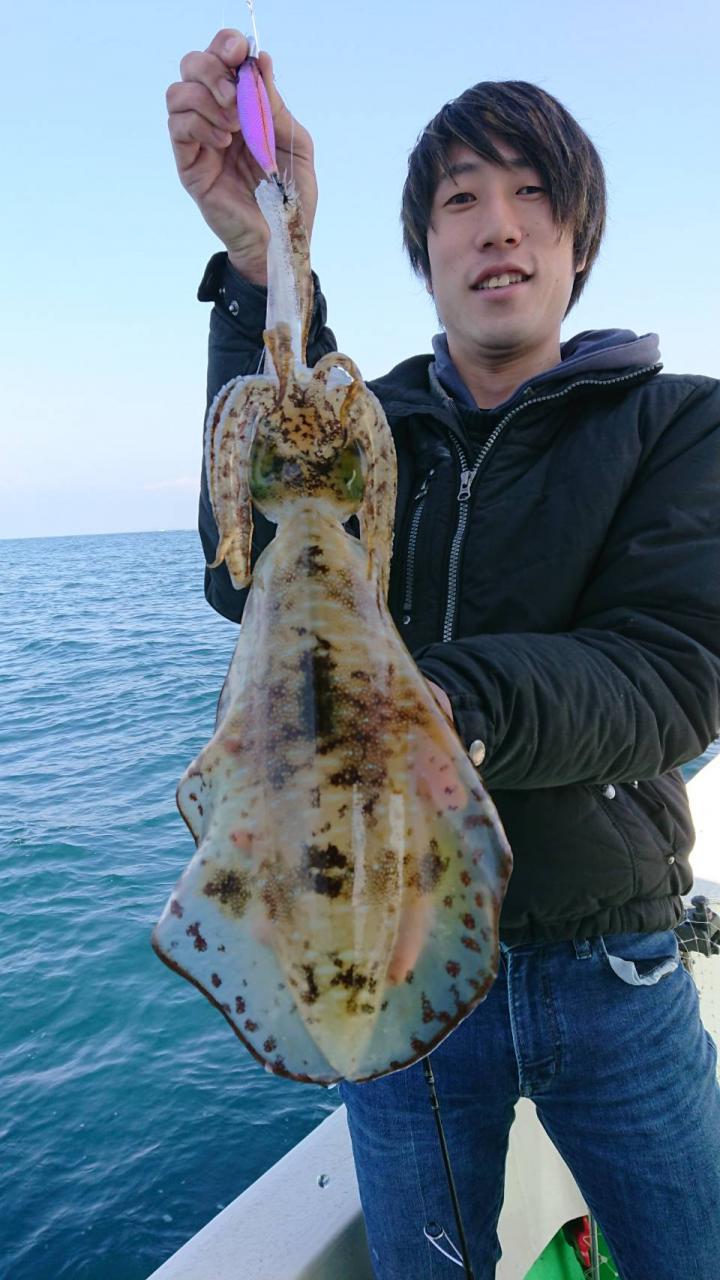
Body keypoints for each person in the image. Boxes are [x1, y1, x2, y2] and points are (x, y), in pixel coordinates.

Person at [167, 29, 720, 1279]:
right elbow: (242, 562)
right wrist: (266, 260)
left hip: (612, 962)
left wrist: (428, 705)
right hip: (394, 950)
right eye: (462, 200)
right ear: (422, 251)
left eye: (533, 194)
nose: (499, 226)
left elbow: (674, 669)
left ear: (579, 242)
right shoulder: (377, 429)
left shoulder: (678, 422)